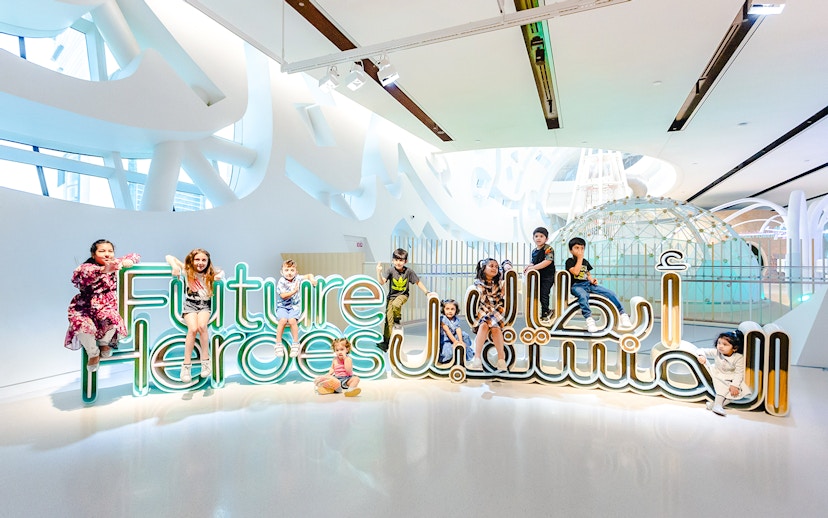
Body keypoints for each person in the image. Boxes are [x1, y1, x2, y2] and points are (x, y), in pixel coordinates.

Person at [64, 239, 140, 372]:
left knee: (112, 318)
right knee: (80, 324)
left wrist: (130, 261)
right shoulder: (86, 267)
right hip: (85, 306)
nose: (107, 254)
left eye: (110, 251)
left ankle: (104, 343)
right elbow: (85, 272)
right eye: (102, 251)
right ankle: (93, 353)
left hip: (107, 304)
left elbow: (134, 255)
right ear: (93, 254)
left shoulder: (115, 263)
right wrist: (103, 270)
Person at [166, 249, 222, 383]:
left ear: (208, 261)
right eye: (197, 259)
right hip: (190, 305)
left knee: (202, 326)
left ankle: (206, 362)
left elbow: (220, 274)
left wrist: (217, 277)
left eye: (204, 260)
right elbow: (169, 256)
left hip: (205, 305)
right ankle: (186, 366)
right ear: (192, 260)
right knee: (192, 329)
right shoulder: (187, 271)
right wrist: (175, 266)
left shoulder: (212, 273)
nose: (200, 262)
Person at [565, 237, 632, 333]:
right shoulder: (569, 261)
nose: (580, 250)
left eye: (582, 248)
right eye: (577, 248)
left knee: (610, 293)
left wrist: (592, 280)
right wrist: (579, 258)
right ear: (571, 250)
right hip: (577, 286)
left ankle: (623, 314)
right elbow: (575, 272)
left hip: (588, 284)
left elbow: (587, 274)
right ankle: (589, 319)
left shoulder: (585, 262)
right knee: (583, 296)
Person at [376, 248, 434, 352]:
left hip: (403, 295)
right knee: (388, 321)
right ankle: (386, 343)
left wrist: (426, 292)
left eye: (401, 260)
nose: (398, 262)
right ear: (393, 260)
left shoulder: (409, 271)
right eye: (396, 260)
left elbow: (417, 282)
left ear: (405, 261)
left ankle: (397, 318)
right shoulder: (390, 270)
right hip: (391, 297)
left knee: (396, 304)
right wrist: (379, 272)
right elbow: (381, 282)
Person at [696, 330, 751, 416]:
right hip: (717, 373)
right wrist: (701, 355)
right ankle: (718, 406)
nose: (720, 346)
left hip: (730, 376)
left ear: (734, 348)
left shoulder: (739, 358)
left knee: (737, 392)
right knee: (722, 386)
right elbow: (701, 350)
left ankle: (715, 405)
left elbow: (739, 373)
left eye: (725, 344)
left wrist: (735, 385)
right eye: (719, 343)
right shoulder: (717, 352)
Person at [469, 258, 508, 372]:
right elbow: (481, 298)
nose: (494, 268)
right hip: (484, 309)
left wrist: (506, 267)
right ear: (483, 268)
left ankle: (501, 359)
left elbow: (507, 264)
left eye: (496, 267)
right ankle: (477, 358)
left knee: (495, 328)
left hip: (497, 309)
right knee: (483, 325)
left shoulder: (500, 283)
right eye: (491, 266)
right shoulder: (478, 283)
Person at [274, 259, 317, 358]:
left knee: (293, 321)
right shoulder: (281, 281)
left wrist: (312, 279)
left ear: (296, 272)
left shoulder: (297, 278)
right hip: (282, 306)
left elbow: (309, 275)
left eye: (292, 270)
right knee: (283, 320)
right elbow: (283, 295)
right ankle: (278, 344)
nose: (289, 273)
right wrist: (294, 291)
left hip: (294, 307)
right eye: (287, 270)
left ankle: (295, 343)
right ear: (282, 272)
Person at [523, 227, 556, 323]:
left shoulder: (548, 249)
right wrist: (528, 266)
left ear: (546, 239)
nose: (538, 238)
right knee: (537, 294)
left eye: (541, 236)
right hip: (538, 276)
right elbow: (533, 262)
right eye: (536, 236)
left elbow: (548, 261)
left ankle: (546, 312)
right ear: (533, 238)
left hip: (547, 276)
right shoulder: (534, 251)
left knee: (544, 294)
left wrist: (532, 268)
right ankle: (544, 311)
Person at [439, 299, 474, 364]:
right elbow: (447, 331)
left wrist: (460, 341)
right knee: (448, 350)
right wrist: (455, 341)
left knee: (464, 335)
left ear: (456, 310)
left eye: (452, 309)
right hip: (446, 339)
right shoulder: (443, 319)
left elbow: (458, 329)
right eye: (447, 309)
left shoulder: (456, 319)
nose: (450, 311)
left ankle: (467, 351)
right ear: (443, 309)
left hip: (454, 335)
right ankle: (449, 358)